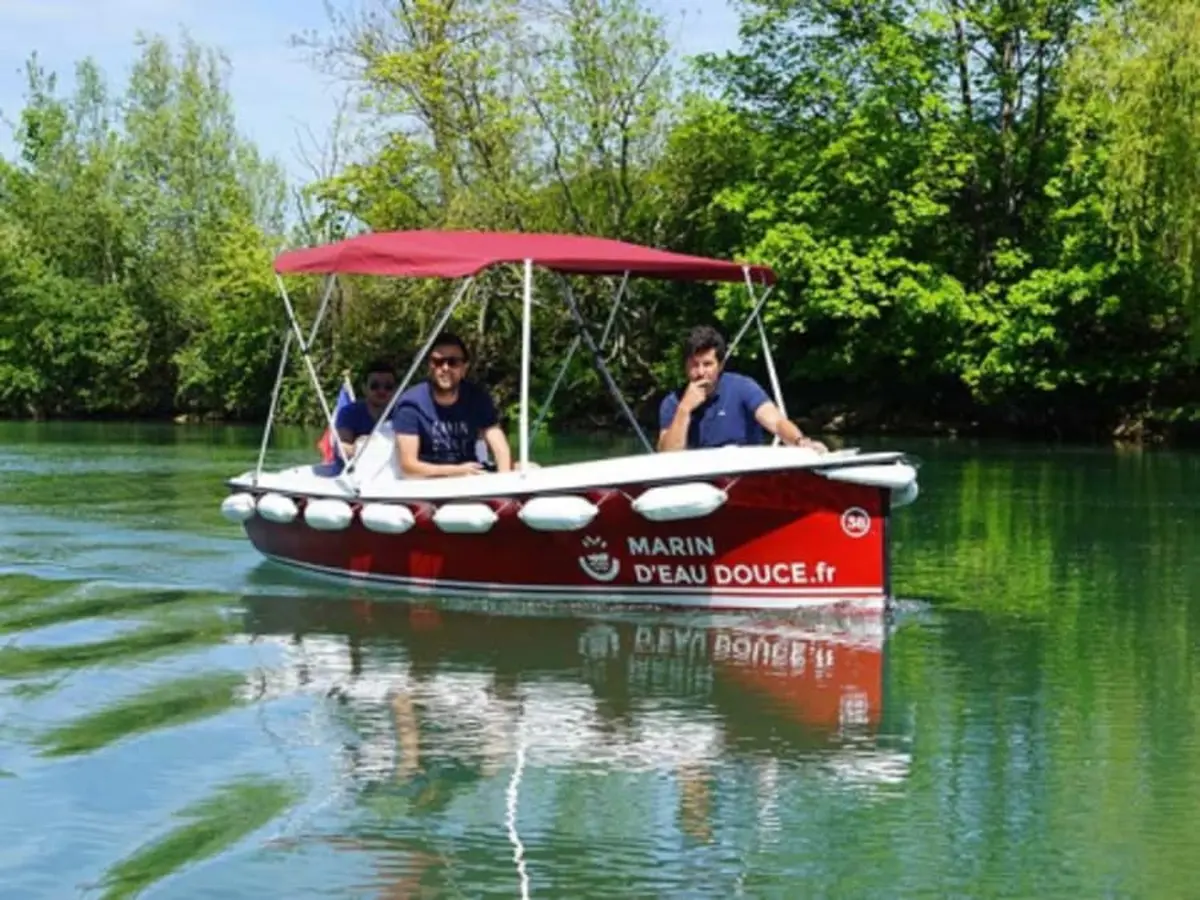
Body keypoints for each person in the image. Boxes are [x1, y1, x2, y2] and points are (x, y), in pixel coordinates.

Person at [657, 325, 827, 453]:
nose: (701, 372)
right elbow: (667, 456)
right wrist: (684, 409)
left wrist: (800, 441)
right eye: (694, 365)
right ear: (685, 367)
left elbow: (776, 422)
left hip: (745, 474)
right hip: (700, 479)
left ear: (720, 365)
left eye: (707, 364)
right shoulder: (673, 402)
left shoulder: (742, 387)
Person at [392, 332, 514, 477]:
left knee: (530, 468)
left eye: (453, 362)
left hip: (473, 476)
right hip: (429, 481)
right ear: (430, 366)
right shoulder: (410, 405)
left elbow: (500, 448)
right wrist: (457, 471)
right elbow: (409, 467)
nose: (445, 368)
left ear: (464, 368)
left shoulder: (477, 398)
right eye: (438, 362)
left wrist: (505, 479)